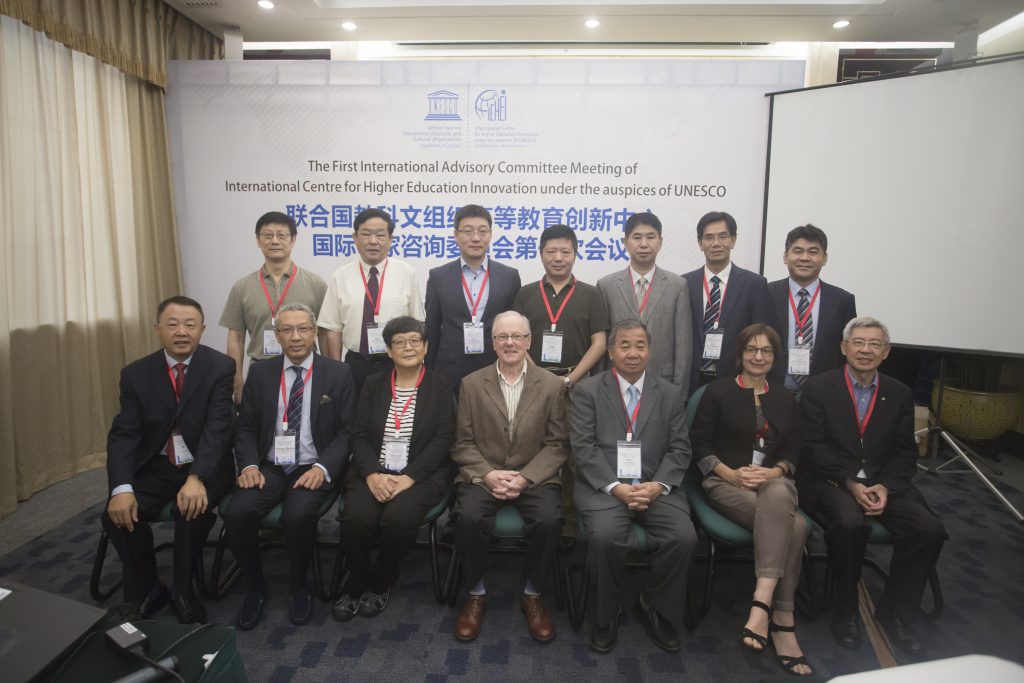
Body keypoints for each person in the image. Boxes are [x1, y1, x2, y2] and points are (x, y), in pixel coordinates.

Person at [798, 317, 947, 656]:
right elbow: (811, 447)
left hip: (883, 482)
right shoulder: (819, 388)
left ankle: (895, 612)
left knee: (929, 529)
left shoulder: (899, 393)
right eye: (858, 342)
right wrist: (850, 481)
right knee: (850, 524)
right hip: (830, 479)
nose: (865, 350)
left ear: (886, 352)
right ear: (844, 348)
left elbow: (904, 452)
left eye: (874, 344)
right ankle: (846, 610)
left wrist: (886, 487)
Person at [690, 323, 812, 676]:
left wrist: (773, 472)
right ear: (740, 354)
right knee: (796, 526)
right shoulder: (717, 391)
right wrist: (729, 474)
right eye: (751, 349)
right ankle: (783, 620)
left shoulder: (786, 398)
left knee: (779, 490)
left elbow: (794, 448)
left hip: (771, 485)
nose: (758, 356)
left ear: (775, 357)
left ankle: (762, 603)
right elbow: (699, 444)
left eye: (766, 351)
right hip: (725, 483)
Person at [104, 296, 235, 624]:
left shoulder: (220, 367)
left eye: (190, 325)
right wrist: (121, 488)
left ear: (202, 329)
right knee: (117, 514)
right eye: (173, 324)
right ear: (157, 329)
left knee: (191, 511)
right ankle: (149, 588)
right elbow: (124, 434)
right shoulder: (135, 374)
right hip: (157, 466)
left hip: (206, 465)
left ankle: (183, 590)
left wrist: (197, 477)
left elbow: (218, 428)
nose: (181, 332)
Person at [224, 303, 355, 630]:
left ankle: (299, 585)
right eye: (287, 330)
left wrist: (323, 468)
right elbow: (246, 427)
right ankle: (255, 587)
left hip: (313, 465)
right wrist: (248, 465)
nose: (296, 337)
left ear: (314, 333)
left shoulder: (338, 373)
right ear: (277, 335)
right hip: (269, 466)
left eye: (303, 329)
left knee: (296, 516)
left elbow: (348, 431)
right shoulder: (261, 373)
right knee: (237, 512)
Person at [570, 319, 697, 654]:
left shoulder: (669, 394)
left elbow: (680, 449)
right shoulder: (587, 391)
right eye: (624, 345)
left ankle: (654, 605)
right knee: (605, 537)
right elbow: (583, 448)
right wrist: (615, 487)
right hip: (604, 487)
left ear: (650, 351)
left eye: (640, 345)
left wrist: (658, 486)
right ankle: (607, 613)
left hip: (656, 487)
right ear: (611, 352)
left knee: (683, 538)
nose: (632, 353)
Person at [450, 311, 568, 643]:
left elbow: (557, 444)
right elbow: (462, 443)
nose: (510, 342)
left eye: (517, 336)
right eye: (502, 336)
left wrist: (525, 478)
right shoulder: (472, 383)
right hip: (484, 473)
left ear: (529, 341)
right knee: (467, 517)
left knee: (549, 520)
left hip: (534, 474)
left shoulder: (552, 385)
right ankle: (476, 592)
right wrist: (488, 474)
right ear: (493, 343)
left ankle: (533, 593)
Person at [332, 316, 455, 621]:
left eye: (415, 340)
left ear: (426, 347)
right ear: (388, 350)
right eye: (399, 342)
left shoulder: (441, 385)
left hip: (421, 474)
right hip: (373, 469)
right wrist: (372, 474)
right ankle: (357, 578)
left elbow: (444, 438)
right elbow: (359, 434)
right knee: (356, 519)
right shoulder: (373, 384)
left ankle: (382, 579)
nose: (408, 347)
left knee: (399, 520)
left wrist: (410, 477)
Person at [513, 224, 609, 542]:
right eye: (551, 251)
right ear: (540, 254)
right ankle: (533, 518)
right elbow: (518, 339)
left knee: (572, 456)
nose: (558, 257)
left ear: (575, 254)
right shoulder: (526, 293)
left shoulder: (591, 294)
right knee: (530, 449)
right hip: (531, 384)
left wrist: (569, 379)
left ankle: (568, 523)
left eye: (565, 251)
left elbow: (599, 343)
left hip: (577, 386)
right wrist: (540, 378)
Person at [220, 211, 327, 404]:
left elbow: (325, 333)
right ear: (258, 240)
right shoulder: (242, 287)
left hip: (305, 371)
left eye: (282, 235)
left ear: (293, 240)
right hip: (260, 371)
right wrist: (237, 381)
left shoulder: (315, 284)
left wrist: (328, 376)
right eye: (268, 235)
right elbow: (236, 338)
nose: (275, 241)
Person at [319, 208, 425, 394]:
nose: (373, 241)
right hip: (355, 365)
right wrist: (337, 370)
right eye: (366, 234)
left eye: (380, 235)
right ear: (355, 238)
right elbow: (333, 328)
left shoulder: (406, 273)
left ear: (390, 239)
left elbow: (417, 323)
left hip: (397, 363)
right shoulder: (340, 276)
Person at [425, 204, 521, 395]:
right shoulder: (438, 277)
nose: (476, 238)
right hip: (449, 370)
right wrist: (428, 372)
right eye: (468, 231)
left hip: (496, 367)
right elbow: (432, 329)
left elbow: (515, 328)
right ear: (456, 235)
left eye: (482, 231)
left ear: (490, 234)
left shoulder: (509, 276)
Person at [596, 212, 692, 391]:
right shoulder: (606, 286)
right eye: (637, 237)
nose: (644, 244)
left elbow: (683, 346)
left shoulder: (678, 286)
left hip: (663, 383)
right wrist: (600, 389)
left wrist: (679, 394)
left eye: (650, 237)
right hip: (615, 383)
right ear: (625, 242)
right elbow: (601, 344)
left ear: (660, 242)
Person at [682, 211, 772, 394]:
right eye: (709, 237)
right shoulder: (684, 284)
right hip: (691, 380)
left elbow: (759, 336)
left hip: (736, 381)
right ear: (700, 243)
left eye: (722, 236)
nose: (716, 243)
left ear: (733, 240)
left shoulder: (754, 284)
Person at [767, 224, 857, 390]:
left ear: (824, 258)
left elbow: (847, 352)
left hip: (824, 392)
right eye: (798, 251)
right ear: (785, 256)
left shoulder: (843, 301)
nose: (805, 258)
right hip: (772, 390)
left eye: (813, 252)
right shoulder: (766, 293)